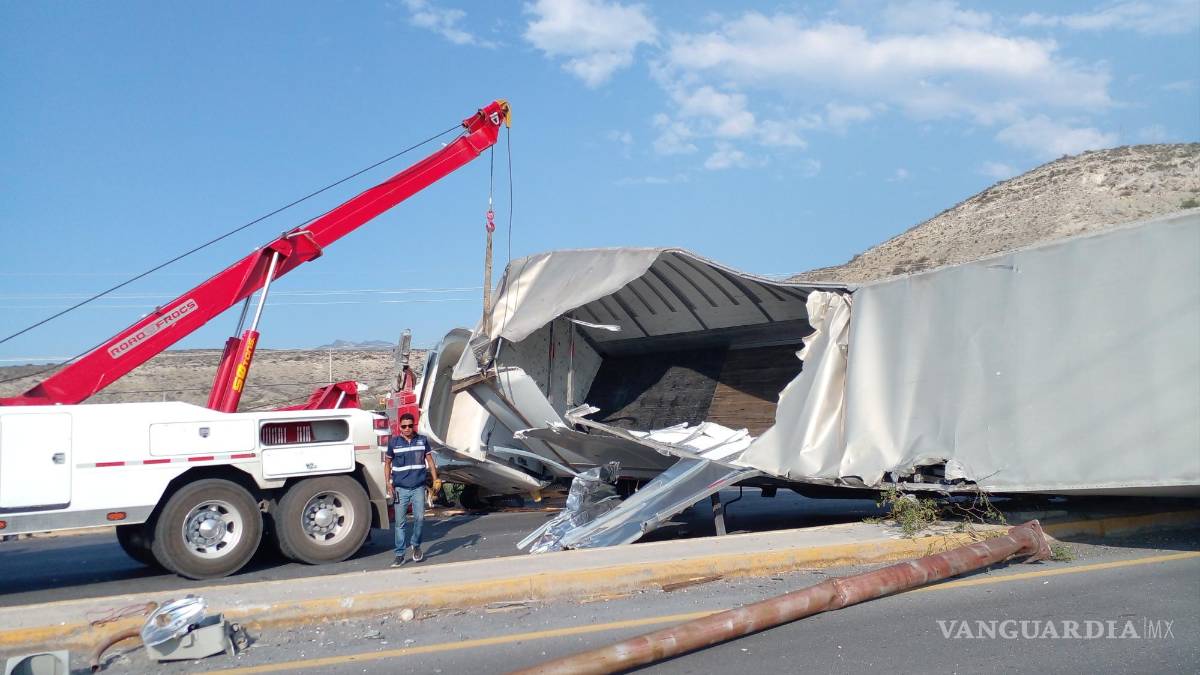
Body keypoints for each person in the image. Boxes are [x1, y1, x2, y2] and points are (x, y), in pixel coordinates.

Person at [386, 412, 440, 567]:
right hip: (400, 489)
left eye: (410, 425)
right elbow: (387, 464)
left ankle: (415, 545)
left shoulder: (422, 441)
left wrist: (436, 479)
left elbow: (429, 460)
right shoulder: (394, 443)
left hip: (418, 487)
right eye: (404, 426)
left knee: (420, 519)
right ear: (400, 428)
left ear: (413, 426)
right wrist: (388, 483)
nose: (407, 428)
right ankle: (399, 555)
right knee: (400, 523)